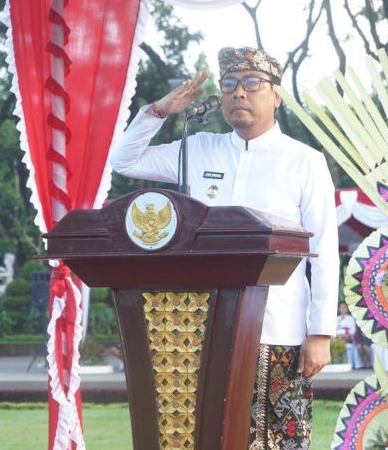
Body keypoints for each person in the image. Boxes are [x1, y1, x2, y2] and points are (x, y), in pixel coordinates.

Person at [110, 47, 339, 449]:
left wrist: (320, 332)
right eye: (230, 84)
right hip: (203, 326)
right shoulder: (200, 148)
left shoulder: (305, 161)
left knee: (276, 440)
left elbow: (324, 251)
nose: (239, 94)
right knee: (209, 435)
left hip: (278, 328)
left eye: (252, 84)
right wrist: (161, 111)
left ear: (276, 96)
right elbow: (125, 160)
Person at [336, 302, 359, 369]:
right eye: (341, 308)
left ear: (347, 309)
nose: (342, 309)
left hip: (348, 338)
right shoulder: (336, 319)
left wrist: (345, 334)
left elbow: (353, 331)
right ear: (338, 309)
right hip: (338, 338)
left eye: (344, 307)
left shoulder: (350, 318)